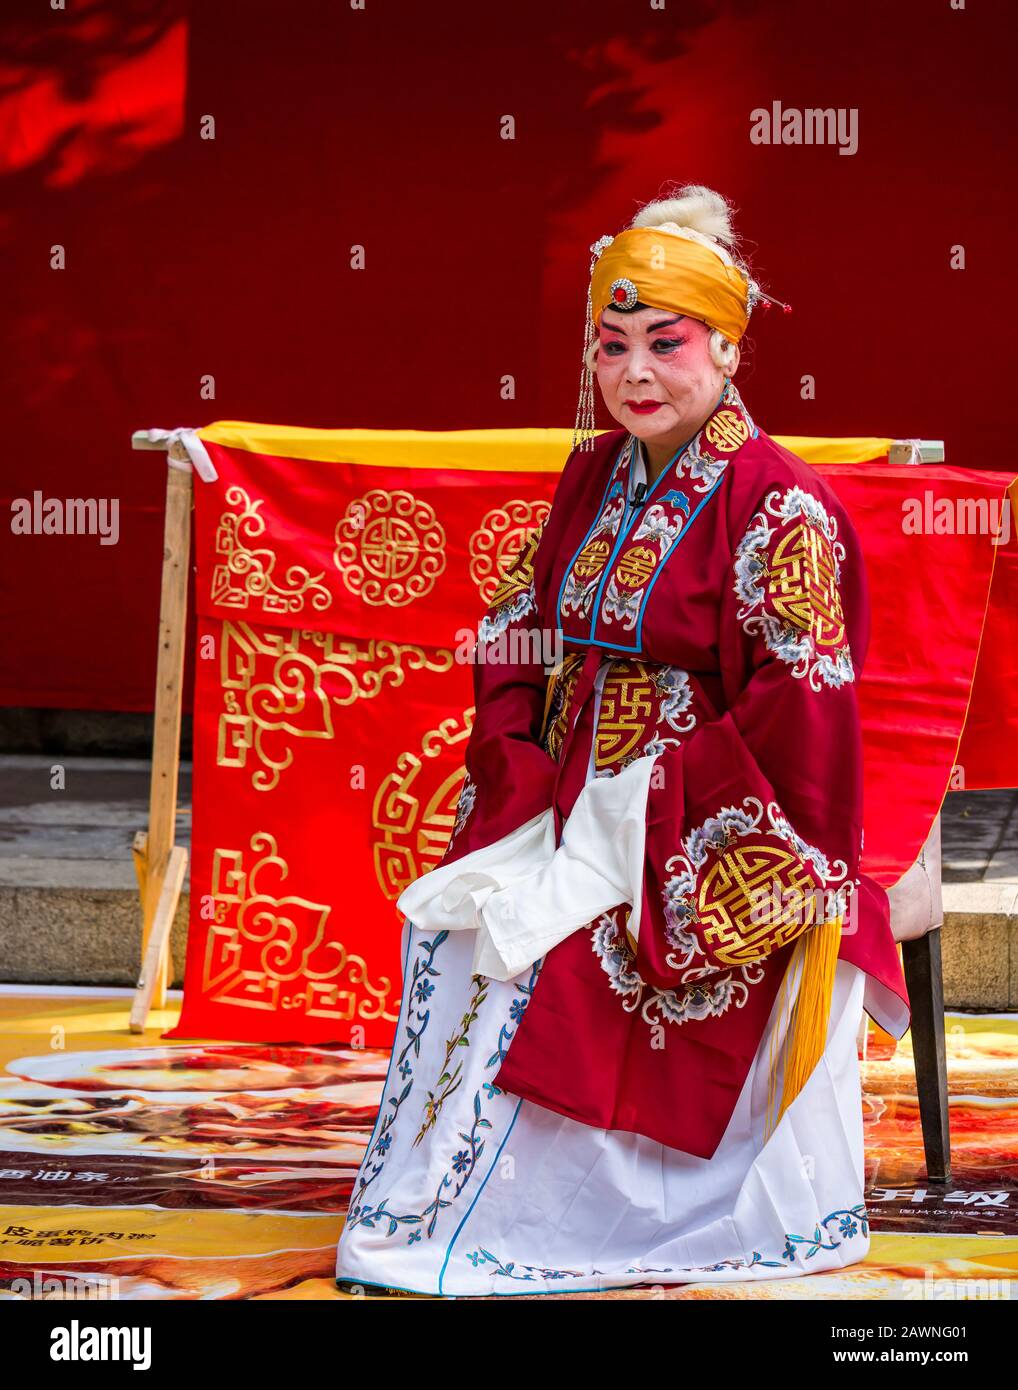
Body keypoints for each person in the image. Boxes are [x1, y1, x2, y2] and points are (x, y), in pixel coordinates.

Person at [335, 183, 910, 1298]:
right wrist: (518, 759)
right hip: (567, 797)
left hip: (703, 827)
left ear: (728, 348)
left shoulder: (778, 505)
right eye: (612, 346)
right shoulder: (592, 474)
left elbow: (804, 706)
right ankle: (426, 1207)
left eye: (665, 344)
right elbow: (518, 623)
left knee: (530, 951)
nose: (635, 374)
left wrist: (653, 813)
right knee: (447, 927)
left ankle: (526, 1229)